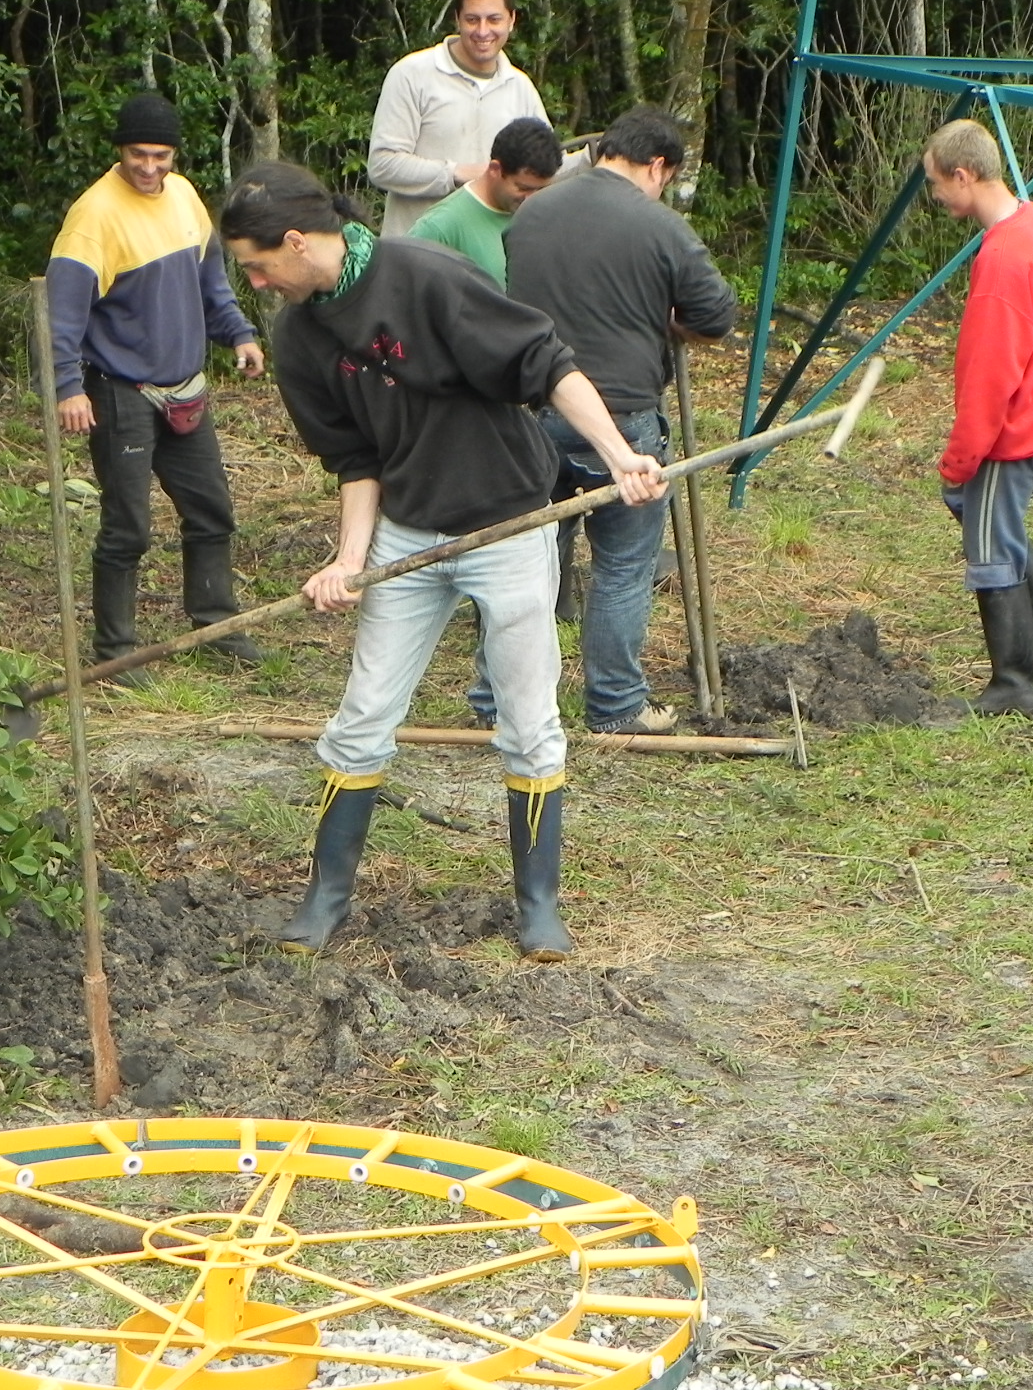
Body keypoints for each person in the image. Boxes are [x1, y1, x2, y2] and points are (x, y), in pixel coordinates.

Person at [218, 161, 665, 960]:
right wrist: (347, 558)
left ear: (295, 242)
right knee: (361, 720)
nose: (254, 282)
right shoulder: (300, 337)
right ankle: (325, 897)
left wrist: (619, 453)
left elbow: (547, 363)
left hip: (509, 524)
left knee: (529, 723)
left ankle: (538, 906)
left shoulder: (424, 276)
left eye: (257, 265)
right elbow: (355, 459)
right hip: (410, 534)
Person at [496, 105, 736, 735]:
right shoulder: (660, 226)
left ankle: (496, 700)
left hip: (534, 413)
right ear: (657, 165)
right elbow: (714, 315)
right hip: (624, 419)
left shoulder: (532, 211)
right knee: (624, 566)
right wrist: (665, 318)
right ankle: (616, 704)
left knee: (525, 560)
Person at [46, 92, 268, 668]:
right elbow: (62, 312)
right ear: (119, 151)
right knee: (129, 529)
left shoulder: (186, 198)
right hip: (120, 390)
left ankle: (215, 627)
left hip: (185, 386)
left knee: (212, 510)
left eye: (160, 156)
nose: (149, 168)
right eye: (137, 155)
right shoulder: (93, 216)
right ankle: (114, 654)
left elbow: (211, 282)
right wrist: (68, 387)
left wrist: (239, 333)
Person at [922, 118, 1033, 717]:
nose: (936, 194)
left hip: (1016, 431)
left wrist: (961, 459)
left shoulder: (1002, 260)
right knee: (997, 520)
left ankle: (1015, 683)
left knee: (988, 543)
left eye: (937, 182)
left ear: (963, 175)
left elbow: (991, 376)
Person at [369, 0, 560, 237]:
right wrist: (458, 173)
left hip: (488, 261)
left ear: (512, 19)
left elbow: (546, 170)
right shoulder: (412, 75)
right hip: (415, 258)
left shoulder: (520, 87)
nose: (483, 32)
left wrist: (597, 157)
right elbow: (382, 165)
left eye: (494, 19)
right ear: (457, 18)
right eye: (472, 19)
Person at [408, 118, 563, 287]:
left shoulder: (541, 215)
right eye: (523, 188)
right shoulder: (441, 226)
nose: (531, 199)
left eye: (540, 190)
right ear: (495, 170)